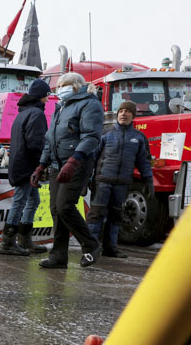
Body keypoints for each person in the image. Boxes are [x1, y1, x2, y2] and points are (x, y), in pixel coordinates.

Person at [30, 72, 102, 268]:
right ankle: (58, 255)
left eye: (65, 85)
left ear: (77, 86)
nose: (60, 89)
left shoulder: (90, 104)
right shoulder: (60, 107)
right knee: (55, 210)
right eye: (59, 85)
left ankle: (91, 245)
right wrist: (42, 165)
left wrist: (73, 161)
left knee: (64, 206)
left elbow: (91, 136)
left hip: (76, 163)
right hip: (56, 164)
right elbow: (50, 140)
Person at [87, 100, 154, 258]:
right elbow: (92, 158)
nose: (124, 114)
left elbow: (144, 162)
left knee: (116, 216)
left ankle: (110, 248)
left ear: (133, 116)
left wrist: (149, 181)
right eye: (121, 111)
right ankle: (90, 248)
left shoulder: (139, 138)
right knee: (96, 215)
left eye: (128, 111)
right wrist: (86, 180)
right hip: (103, 181)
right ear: (117, 114)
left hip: (122, 184)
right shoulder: (105, 134)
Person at [3, 78, 51, 255]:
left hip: (19, 163)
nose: (48, 98)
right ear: (41, 96)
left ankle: (24, 239)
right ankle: (8, 242)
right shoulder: (36, 114)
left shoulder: (23, 112)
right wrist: (41, 165)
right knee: (20, 201)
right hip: (27, 166)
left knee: (33, 200)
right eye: (47, 95)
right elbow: (35, 143)